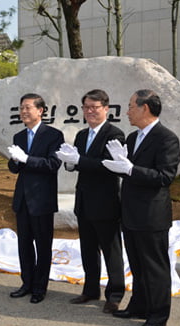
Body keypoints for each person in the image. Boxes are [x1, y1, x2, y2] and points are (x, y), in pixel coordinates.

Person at [102, 89, 180, 326]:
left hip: (151, 215)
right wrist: (118, 165)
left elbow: (165, 177)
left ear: (145, 108)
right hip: (131, 212)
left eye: (130, 106)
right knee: (137, 265)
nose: (127, 111)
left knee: (155, 267)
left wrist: (131, 169)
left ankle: (158, 315)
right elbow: (128, 171)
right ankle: (139, 306)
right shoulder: (134, 138)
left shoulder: (166, 138)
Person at [55, 89, 125, 313]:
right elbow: (80, 164)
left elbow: (107, 165)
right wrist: (70, 162)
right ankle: (90, 290)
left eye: (95, 107)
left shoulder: (115, 134)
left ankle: (114, 295)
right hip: (84, 201)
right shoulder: (82, 135)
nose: (90, 111)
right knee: (88, 249)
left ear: (106, 108)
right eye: (87, 107)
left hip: (105, 203)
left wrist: (80, 160)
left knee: (111, 251)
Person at [7, 93, 64, 304]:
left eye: (28, 107)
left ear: (40, 111)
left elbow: (52, 164)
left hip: (42, 200)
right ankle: (27, 283)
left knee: (42, 245)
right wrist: (14, 160)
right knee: (24, 245)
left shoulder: (53, 135)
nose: (23, 111)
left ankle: (40, 287)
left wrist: (27, 159)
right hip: (22, 199)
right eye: (21, 108)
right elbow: (14, 168)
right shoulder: (19, 137)